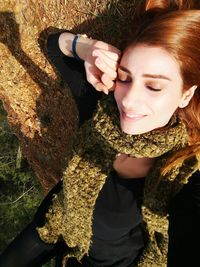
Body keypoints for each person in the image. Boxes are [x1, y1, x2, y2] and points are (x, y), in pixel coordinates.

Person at [0, 0, 200, 266]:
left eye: (153, 86)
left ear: (186, 94)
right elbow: (53, 44)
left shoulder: (182, 173)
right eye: (125, 78)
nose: (128, 100)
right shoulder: (103, 111)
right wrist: (88, 49)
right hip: (58, 221)